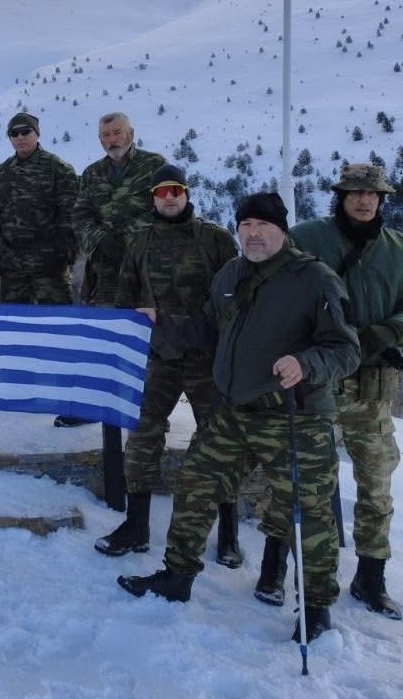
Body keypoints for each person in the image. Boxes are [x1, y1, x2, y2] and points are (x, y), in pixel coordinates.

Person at [119, 192, 360, 644]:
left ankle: (315, 608)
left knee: (307, 513)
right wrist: (162, 322)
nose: (251, 233)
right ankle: (177, 576)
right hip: (231, 411)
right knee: (194, 485)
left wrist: (305, 363)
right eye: (244, 225)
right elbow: (210, 329)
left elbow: (345, 349)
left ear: (282, 230)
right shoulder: (230, 274)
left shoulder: (314, 279)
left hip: (294, 418)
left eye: (261, 225)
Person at [252, 164, 403, 619]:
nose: (363, 200)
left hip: (373, 389)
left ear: (381, 200)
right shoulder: (305, 237)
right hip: (316, 382)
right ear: (340, 196)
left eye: (371, 194)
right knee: (294, 476)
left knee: (376, 486)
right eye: (354, 192)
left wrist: (385, 333)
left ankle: (370, 578)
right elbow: (272, 290)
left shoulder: (397, 250)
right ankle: (273, 568)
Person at [95, 164, 243, 567]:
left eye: (176, 189)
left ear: (186, 193)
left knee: (219, 442)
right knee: (143, 437)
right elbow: (126, 298)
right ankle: (137, 525)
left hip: (206, 359)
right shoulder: (140, 242)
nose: (170, 197)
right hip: (158, 359)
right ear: (153, 198)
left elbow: (233, 301)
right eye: (162, 192)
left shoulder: (215, 239)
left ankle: (228, 533)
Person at [64, 112, 165, 427]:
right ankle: (95, 404)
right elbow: (80, 215)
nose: (112, 140)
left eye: (117, 133)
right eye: (106, 135)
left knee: (146, 340)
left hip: (146, 269)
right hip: (106, 271)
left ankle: (147, 410)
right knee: (102, 337)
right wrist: (101, 240)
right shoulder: (92, 173)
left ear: (131, 133)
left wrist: (128, 240)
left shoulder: (154, 166)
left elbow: (165, 208)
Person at [0, 111, 79, 306]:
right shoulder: (1, 173)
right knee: (14, 326)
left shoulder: (58, 169)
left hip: (50, 265)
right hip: (12, 266)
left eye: (25, 131)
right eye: (14, 134)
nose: (20, 137)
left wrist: (66, 252)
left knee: (55, 323)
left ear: (37, 134)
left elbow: (71, 214)